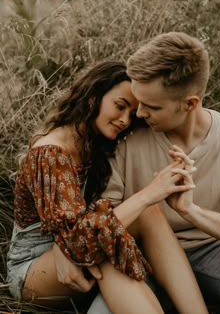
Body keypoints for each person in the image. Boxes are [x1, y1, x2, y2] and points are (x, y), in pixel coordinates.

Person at [7, 61, 209, 314]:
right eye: (120, 106)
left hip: (77, 249)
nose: (125, 120)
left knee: (141, 219)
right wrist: (149, 193)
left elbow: (87, 233)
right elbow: (78, 242)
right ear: (93, 96)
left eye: (131, 113)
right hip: (34, 269)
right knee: (117, 236)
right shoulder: (49, 153)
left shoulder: (96, 143)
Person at [87, 31, 220, 313]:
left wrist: (192, 212)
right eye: (137, 100)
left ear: (190, 103)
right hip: (143, 260)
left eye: (151, 106)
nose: (138, 113)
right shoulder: (124, 137)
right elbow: (101, 221)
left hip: (214, 253)